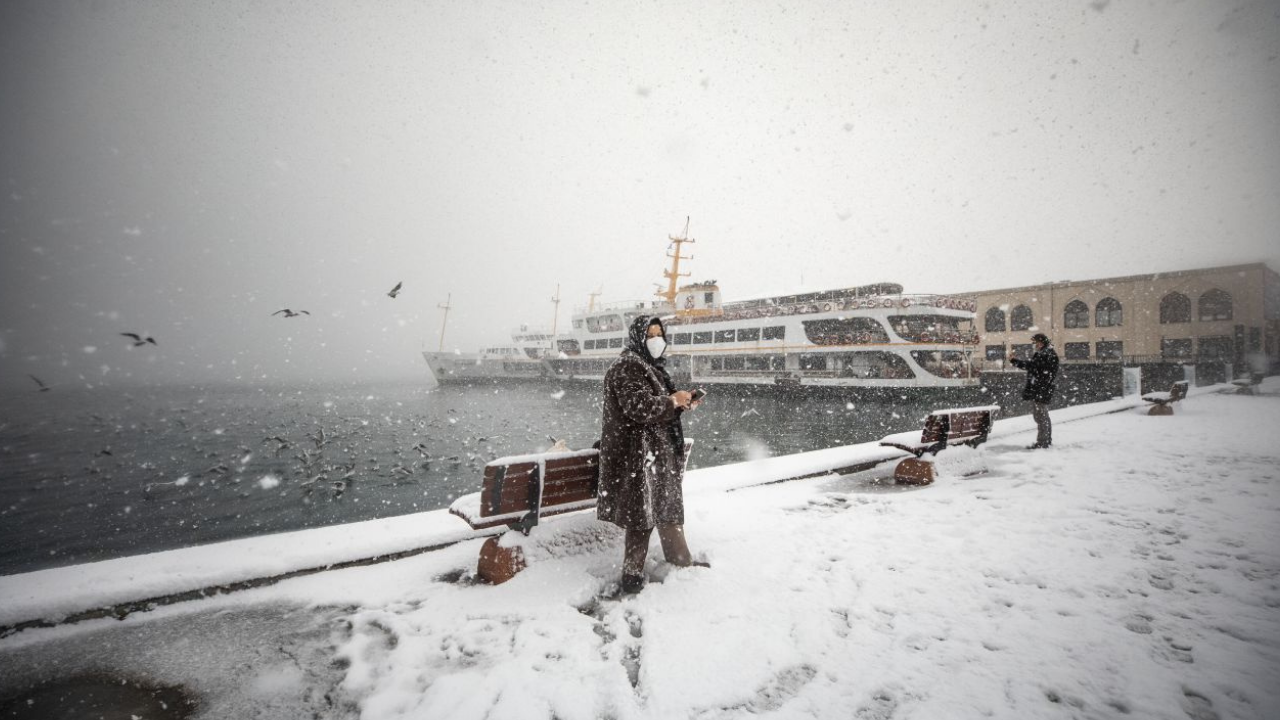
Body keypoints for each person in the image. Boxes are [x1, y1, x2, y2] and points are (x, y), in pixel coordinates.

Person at [597, 315, 705, 594]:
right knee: (643, 515)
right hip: (638, 455)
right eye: (651, 335)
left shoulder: (649, 367)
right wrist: (672, 400)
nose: (657, 340)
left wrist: (682, 403)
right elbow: (638, 408)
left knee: (660, 510)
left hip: (654, 453)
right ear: (638, 337)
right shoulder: (627, 366)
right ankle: (632, 575)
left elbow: (658, 407)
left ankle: (679, 562)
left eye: (660, 334)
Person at [1009, 333, 1059, 449]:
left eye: (1036, 342)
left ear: (1041, 342)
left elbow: (1031, 366)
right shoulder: (1047, 353)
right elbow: (1035, 367)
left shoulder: (1046, 354)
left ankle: (1043, 442)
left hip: (1041, 389)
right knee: (1042, 416)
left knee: (1041, 416)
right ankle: (1045, 441)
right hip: (1042, 389)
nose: (1035, 345)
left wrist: (1014, 361)